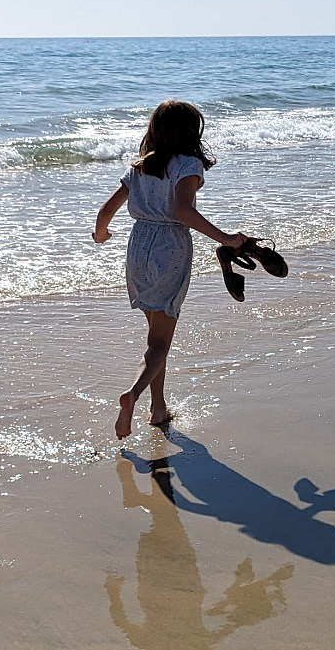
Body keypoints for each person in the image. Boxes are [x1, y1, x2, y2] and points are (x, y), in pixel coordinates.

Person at [93, 99, 247, 438]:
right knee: (160, 342)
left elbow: (107, 210)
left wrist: (101, 233)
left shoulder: (141, 166)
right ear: (192, 131)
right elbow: (181, 211)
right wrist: (225, 238)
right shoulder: (189, 164)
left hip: (137, 247)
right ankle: (132, 395)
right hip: (169, 247)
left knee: (154, 337)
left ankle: (157, 408)